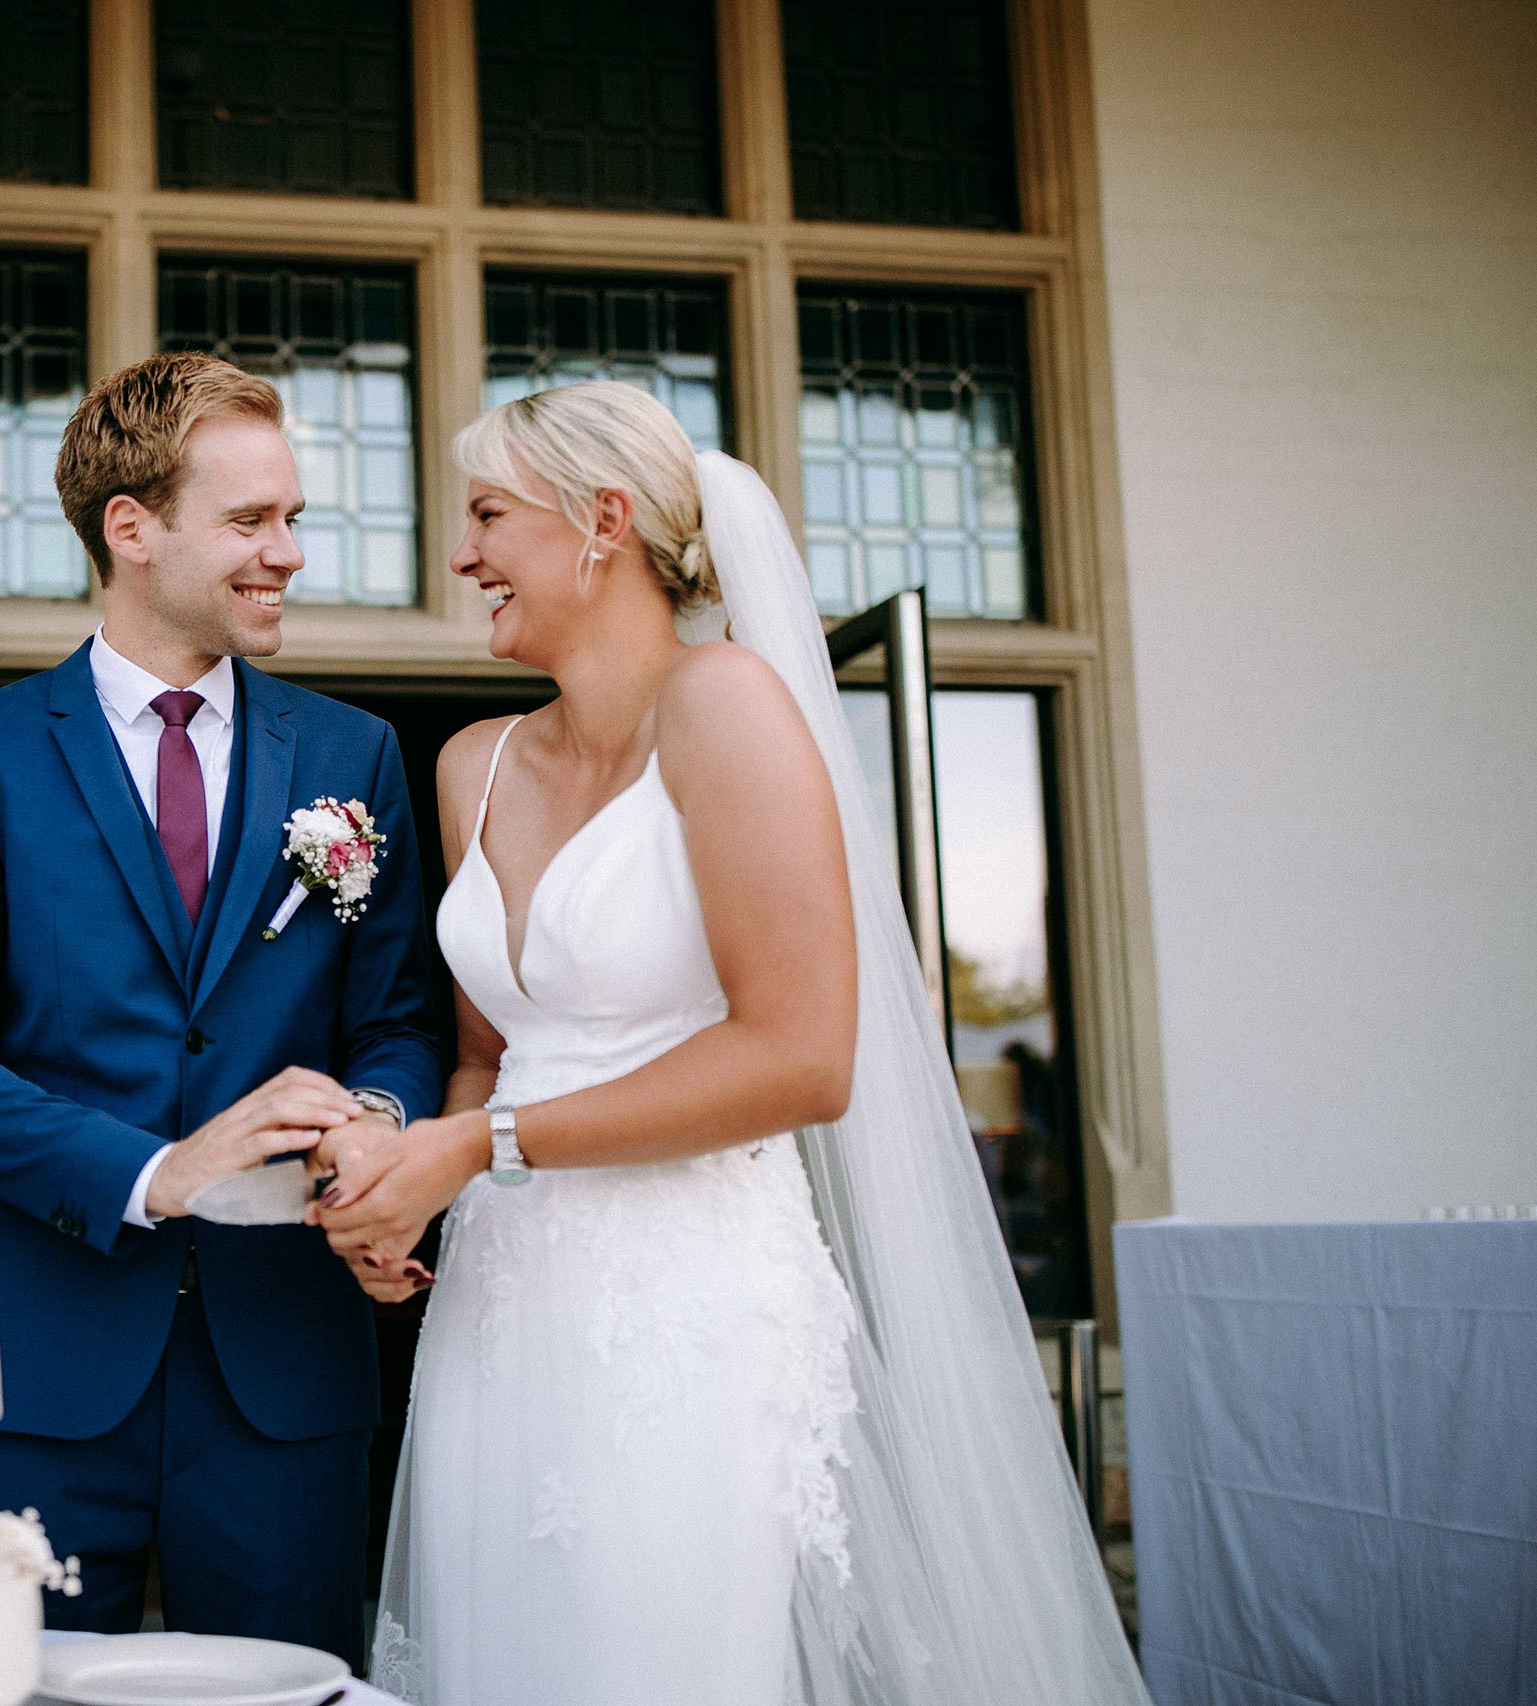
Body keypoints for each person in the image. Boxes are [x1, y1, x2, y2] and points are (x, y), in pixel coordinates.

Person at [314, 381, 1150, 1705]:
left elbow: (802, 1055)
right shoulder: (470, 762)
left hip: (687, 1305)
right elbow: (490, 1052)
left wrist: (482, 1143)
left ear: (600, 522)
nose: (462, 556)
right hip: (501, 1309)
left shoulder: (726, 705)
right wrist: (408, 1187)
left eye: (484, 515)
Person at [0, 351, 444, 1667]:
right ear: (131, 529)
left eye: (293, 518)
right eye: (252, 521)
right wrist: (156, 1170)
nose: (288, 552)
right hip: (42, 1371)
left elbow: (397, 1017)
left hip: (289, 1367)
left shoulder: (352, 757)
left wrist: (377, 1120)